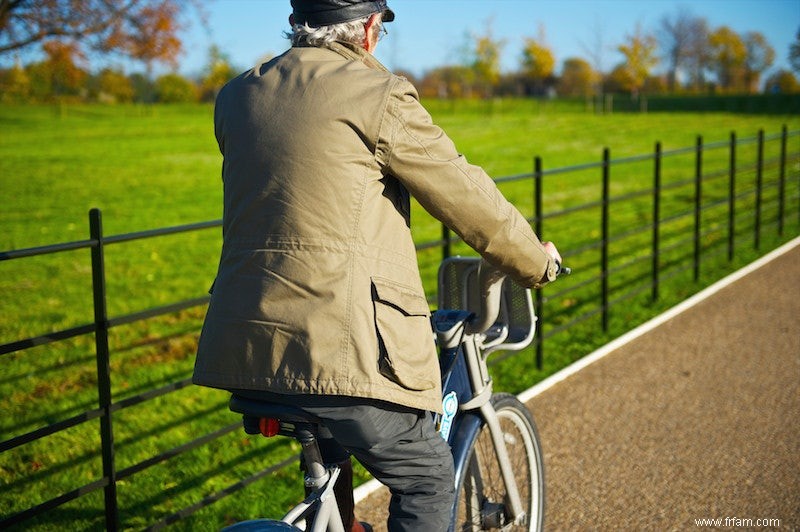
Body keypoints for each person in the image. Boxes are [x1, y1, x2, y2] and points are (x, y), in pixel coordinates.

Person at [193, 1, 562, 530]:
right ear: (369, 28)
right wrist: (536, 263)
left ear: (300, 23)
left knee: (334, 457)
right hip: (338, 348)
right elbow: (464, 194)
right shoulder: (377, 94)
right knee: (427, 476)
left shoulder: (236, 97)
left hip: (248, 346)